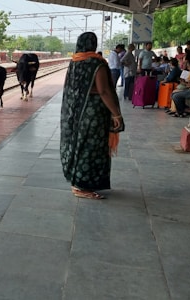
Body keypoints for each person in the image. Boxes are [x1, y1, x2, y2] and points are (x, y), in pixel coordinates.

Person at [61, 32, 124, 200]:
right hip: (93, 114)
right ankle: (81, 187)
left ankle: (79, 182)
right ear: (93, 44)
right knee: (90, 148)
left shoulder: (74, 61)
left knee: (79, 146)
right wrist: (116, 114)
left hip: (75, 114)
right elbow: (103, 90)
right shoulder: (97, 63)